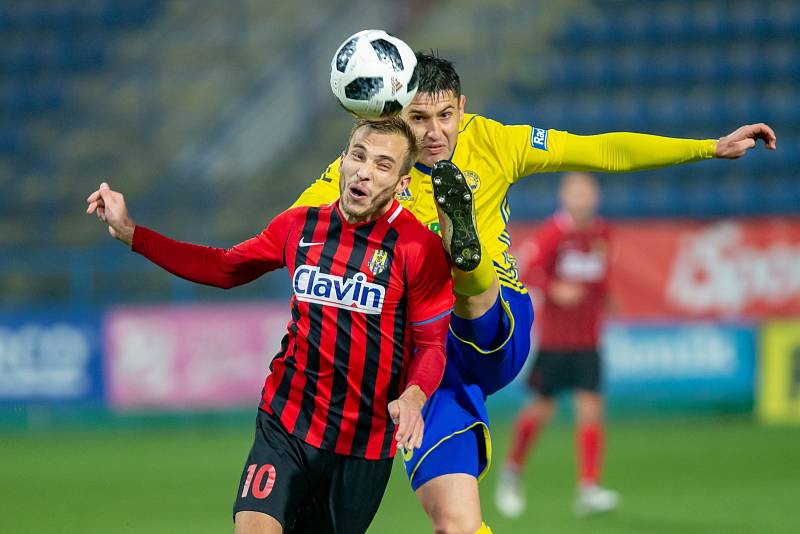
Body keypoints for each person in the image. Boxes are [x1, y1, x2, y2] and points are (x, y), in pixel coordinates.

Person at [293, 51, 776, 534]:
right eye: (419, 119)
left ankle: (466, 254)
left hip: (494, 325)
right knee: (455, 524)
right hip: (425, 366)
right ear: (397, 113)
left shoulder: (497, 141)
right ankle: (459, 256)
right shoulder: (369, 166)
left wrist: (707, 147)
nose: (436, 132)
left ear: (462, 107)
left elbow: (600, 150)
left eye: (446, 116)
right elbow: (290, 229)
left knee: (464, 278)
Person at [86, 117, 455, 534]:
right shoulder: (299, 226)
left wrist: (413, 396)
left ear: (403, 184)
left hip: (362, 444)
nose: (365, 171)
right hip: (287, 421)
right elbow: (223, 267)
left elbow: (431, 346)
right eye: (358, 155)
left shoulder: (418, 248)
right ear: (342, 161)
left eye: (383, 165)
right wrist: (132, 232)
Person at [495, 172, 617, 519]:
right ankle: (511, 471)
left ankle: (588, 488)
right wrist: (554, 289)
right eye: (576, 192)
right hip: (556, 341)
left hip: (588, 339)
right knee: (540, 410)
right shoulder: (553, 233)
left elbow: (601, 276)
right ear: (565, 197)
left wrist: (606, 299)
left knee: (591, 409)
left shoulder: (602, 232)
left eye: (588, 192)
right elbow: (526, 269)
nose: (583, 198)